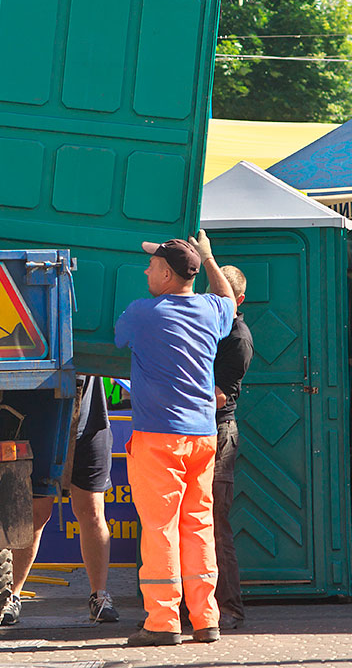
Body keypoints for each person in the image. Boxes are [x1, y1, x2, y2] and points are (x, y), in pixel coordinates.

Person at [113, 232, 236, 647]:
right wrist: (210, 257)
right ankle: (205, 619)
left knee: (160, 527)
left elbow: (114, 339)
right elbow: (228, 300)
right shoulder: (210, 310)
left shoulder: (142, 313)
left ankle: (163, 622)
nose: (147, 270)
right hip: (202, 435)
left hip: (158, 438)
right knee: (198, 525)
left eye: (152, 265)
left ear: (166, 273)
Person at [3, 375, 119, 626]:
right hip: (44, 420)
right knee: (36, 511)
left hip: (89, 424)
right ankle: (11, 595)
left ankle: (99, 597)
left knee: (92, 511)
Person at [212, 265, 253, 630]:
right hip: (200, 431)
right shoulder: (210, 325)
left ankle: (230, 608)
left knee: (215, 524)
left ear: (237, 301)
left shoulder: (237, 337)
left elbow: (219, 395)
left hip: (219, 432)